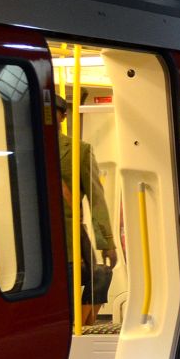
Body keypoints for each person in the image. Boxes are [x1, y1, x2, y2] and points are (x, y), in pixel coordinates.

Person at [56, 95, 117, 327]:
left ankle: (81, 328)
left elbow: (95, 198)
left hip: (71, 241)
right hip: (36, 245)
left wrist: (106, 241)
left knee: (98, 276)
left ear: (61, 118)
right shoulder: (21, 150)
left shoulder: (77, 151)